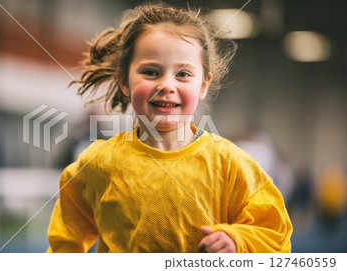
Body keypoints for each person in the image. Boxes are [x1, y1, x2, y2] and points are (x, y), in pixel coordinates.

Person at [47, 3, 292, 253]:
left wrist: (237, 241)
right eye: (151, 72)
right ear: (124, 81)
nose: (166, 84)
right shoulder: (97, 164)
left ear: (203, 85)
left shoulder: (230, 165)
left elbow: (275, 236)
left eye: (183, 74)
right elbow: (65, 246)